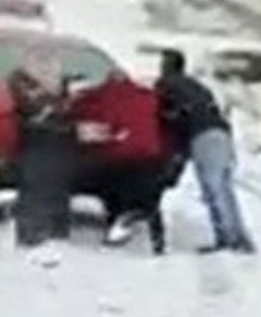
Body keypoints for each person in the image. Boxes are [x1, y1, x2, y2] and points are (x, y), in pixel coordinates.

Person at [70, 75, 184, 255]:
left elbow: (78, 111)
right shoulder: (149, 97)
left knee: (106, 178)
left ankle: (116, 220)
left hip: (122, 163)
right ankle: (152, 235)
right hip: (153, 165)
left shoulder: (103, 96)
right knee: (145, 195)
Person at [156, 49, 254, 254]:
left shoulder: (166, 85)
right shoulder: (197, 86)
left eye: (163, 64)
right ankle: (238, 236)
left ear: (167, 67)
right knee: (224, 187)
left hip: (202, 136)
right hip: (221, 132)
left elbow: (168, 119)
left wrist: (173, 155)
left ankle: (227, 239)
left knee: (213, 189)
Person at [8, 51, 75, 252]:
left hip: (51, 143)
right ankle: (31, 232)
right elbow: (30, 112)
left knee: (52, 184)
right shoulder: (22, 85)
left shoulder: (50, 88)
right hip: (37, 142)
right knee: (36, 186)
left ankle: (54, 230)